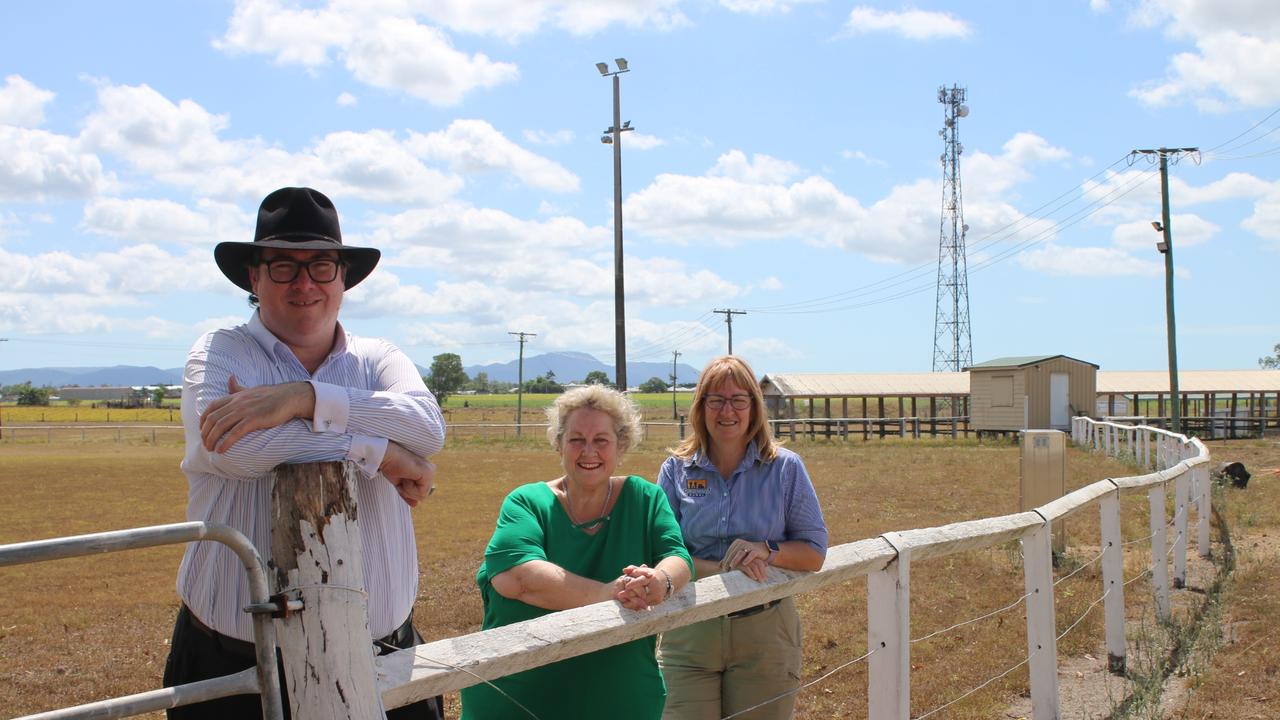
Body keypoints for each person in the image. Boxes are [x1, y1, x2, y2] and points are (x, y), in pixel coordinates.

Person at [162, 187, 446, 719]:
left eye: (320, 266)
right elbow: (236, 449)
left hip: (383, 647)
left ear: (342, 277)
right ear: (254, 276)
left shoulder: (379, 358)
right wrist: (377, 449)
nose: (304, 283)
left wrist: (302, 398)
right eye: (283, 266)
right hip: (234, 659)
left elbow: (428, 430)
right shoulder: (220, 351)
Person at [460, 385, 694, 720]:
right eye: (576, 439)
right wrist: (605, 594)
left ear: (621, 444)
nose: (589, 451)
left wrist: (661, 580)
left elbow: (678, 557)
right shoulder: (527, 502)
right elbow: (517, 577)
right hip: (517, 701)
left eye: (601, 440)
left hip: (619, 701)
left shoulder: (646, 499)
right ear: (558, 443)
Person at [657, 355, 828, 720]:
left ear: (754, 405)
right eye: (715, 400)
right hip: (690, 629)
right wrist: (723, 569)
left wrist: (766, 551)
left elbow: (814, 552)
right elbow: (662, 549)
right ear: (701, 407)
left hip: (764, 631)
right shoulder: (676, 469)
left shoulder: (785, 468)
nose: (727, 410)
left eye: (738, 399)